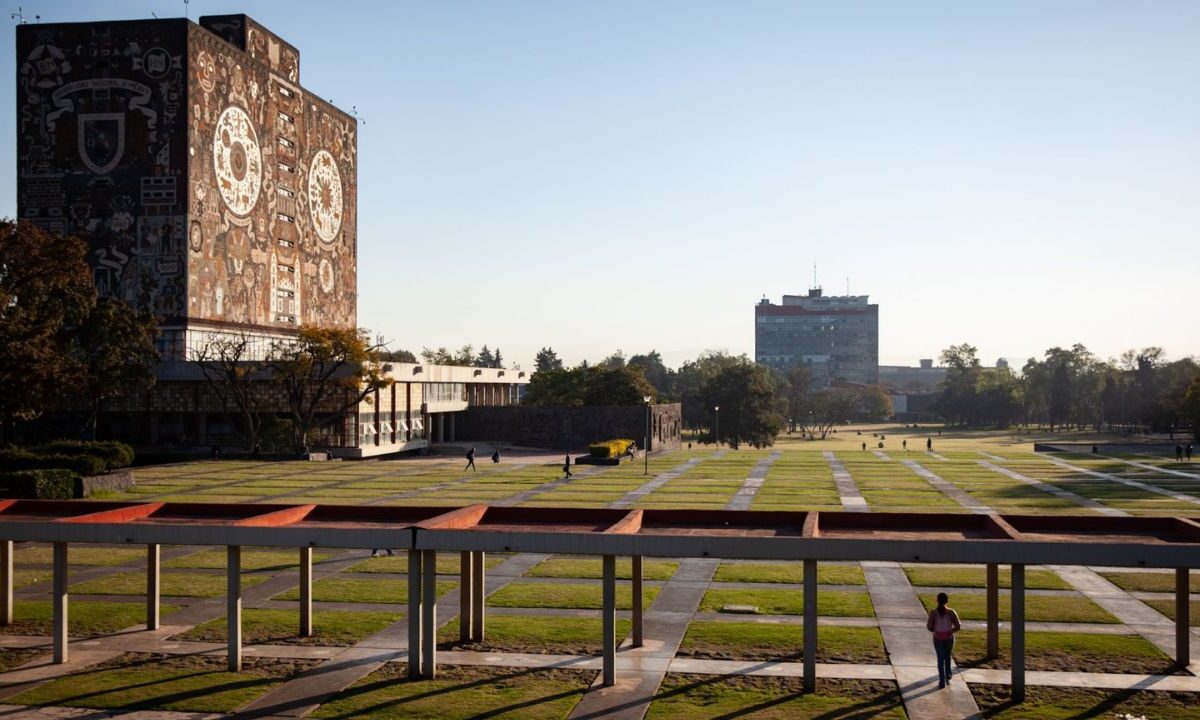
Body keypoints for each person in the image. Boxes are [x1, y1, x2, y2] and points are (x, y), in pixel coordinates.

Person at [926, 592, 962, 688]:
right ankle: (948, 676)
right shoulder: (951, 612)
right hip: (949, 638)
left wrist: (935, 631)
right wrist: (950, 631)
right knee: (947, 656)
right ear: (947, 601)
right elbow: (958, 626)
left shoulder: (933, 613)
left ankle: (942, 680)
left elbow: (929, 627)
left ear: (937, 600)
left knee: (940, 659)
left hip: (938, 638)